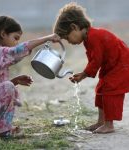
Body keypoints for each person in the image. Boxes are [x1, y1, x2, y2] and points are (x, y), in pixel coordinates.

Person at [0, 15, 60, 143]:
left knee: (9, 85)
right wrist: (48, 38)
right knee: (8, 87)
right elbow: (19, 49)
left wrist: (15, 81)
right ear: (3, 34)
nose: (17, 42)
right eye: (15, 38)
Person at [53, 2, 129, 134]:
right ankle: (101, 122)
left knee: (110, 90)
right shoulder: (89, 39)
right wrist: (85, 73)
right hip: (111, 66)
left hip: (121, 65)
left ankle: (109, 125)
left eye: (67, 37)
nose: (69, 41)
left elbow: (96, 61)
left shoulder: (93, 37)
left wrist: (83, 74)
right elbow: (95, 59)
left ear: (74, 27)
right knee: (100, 89)